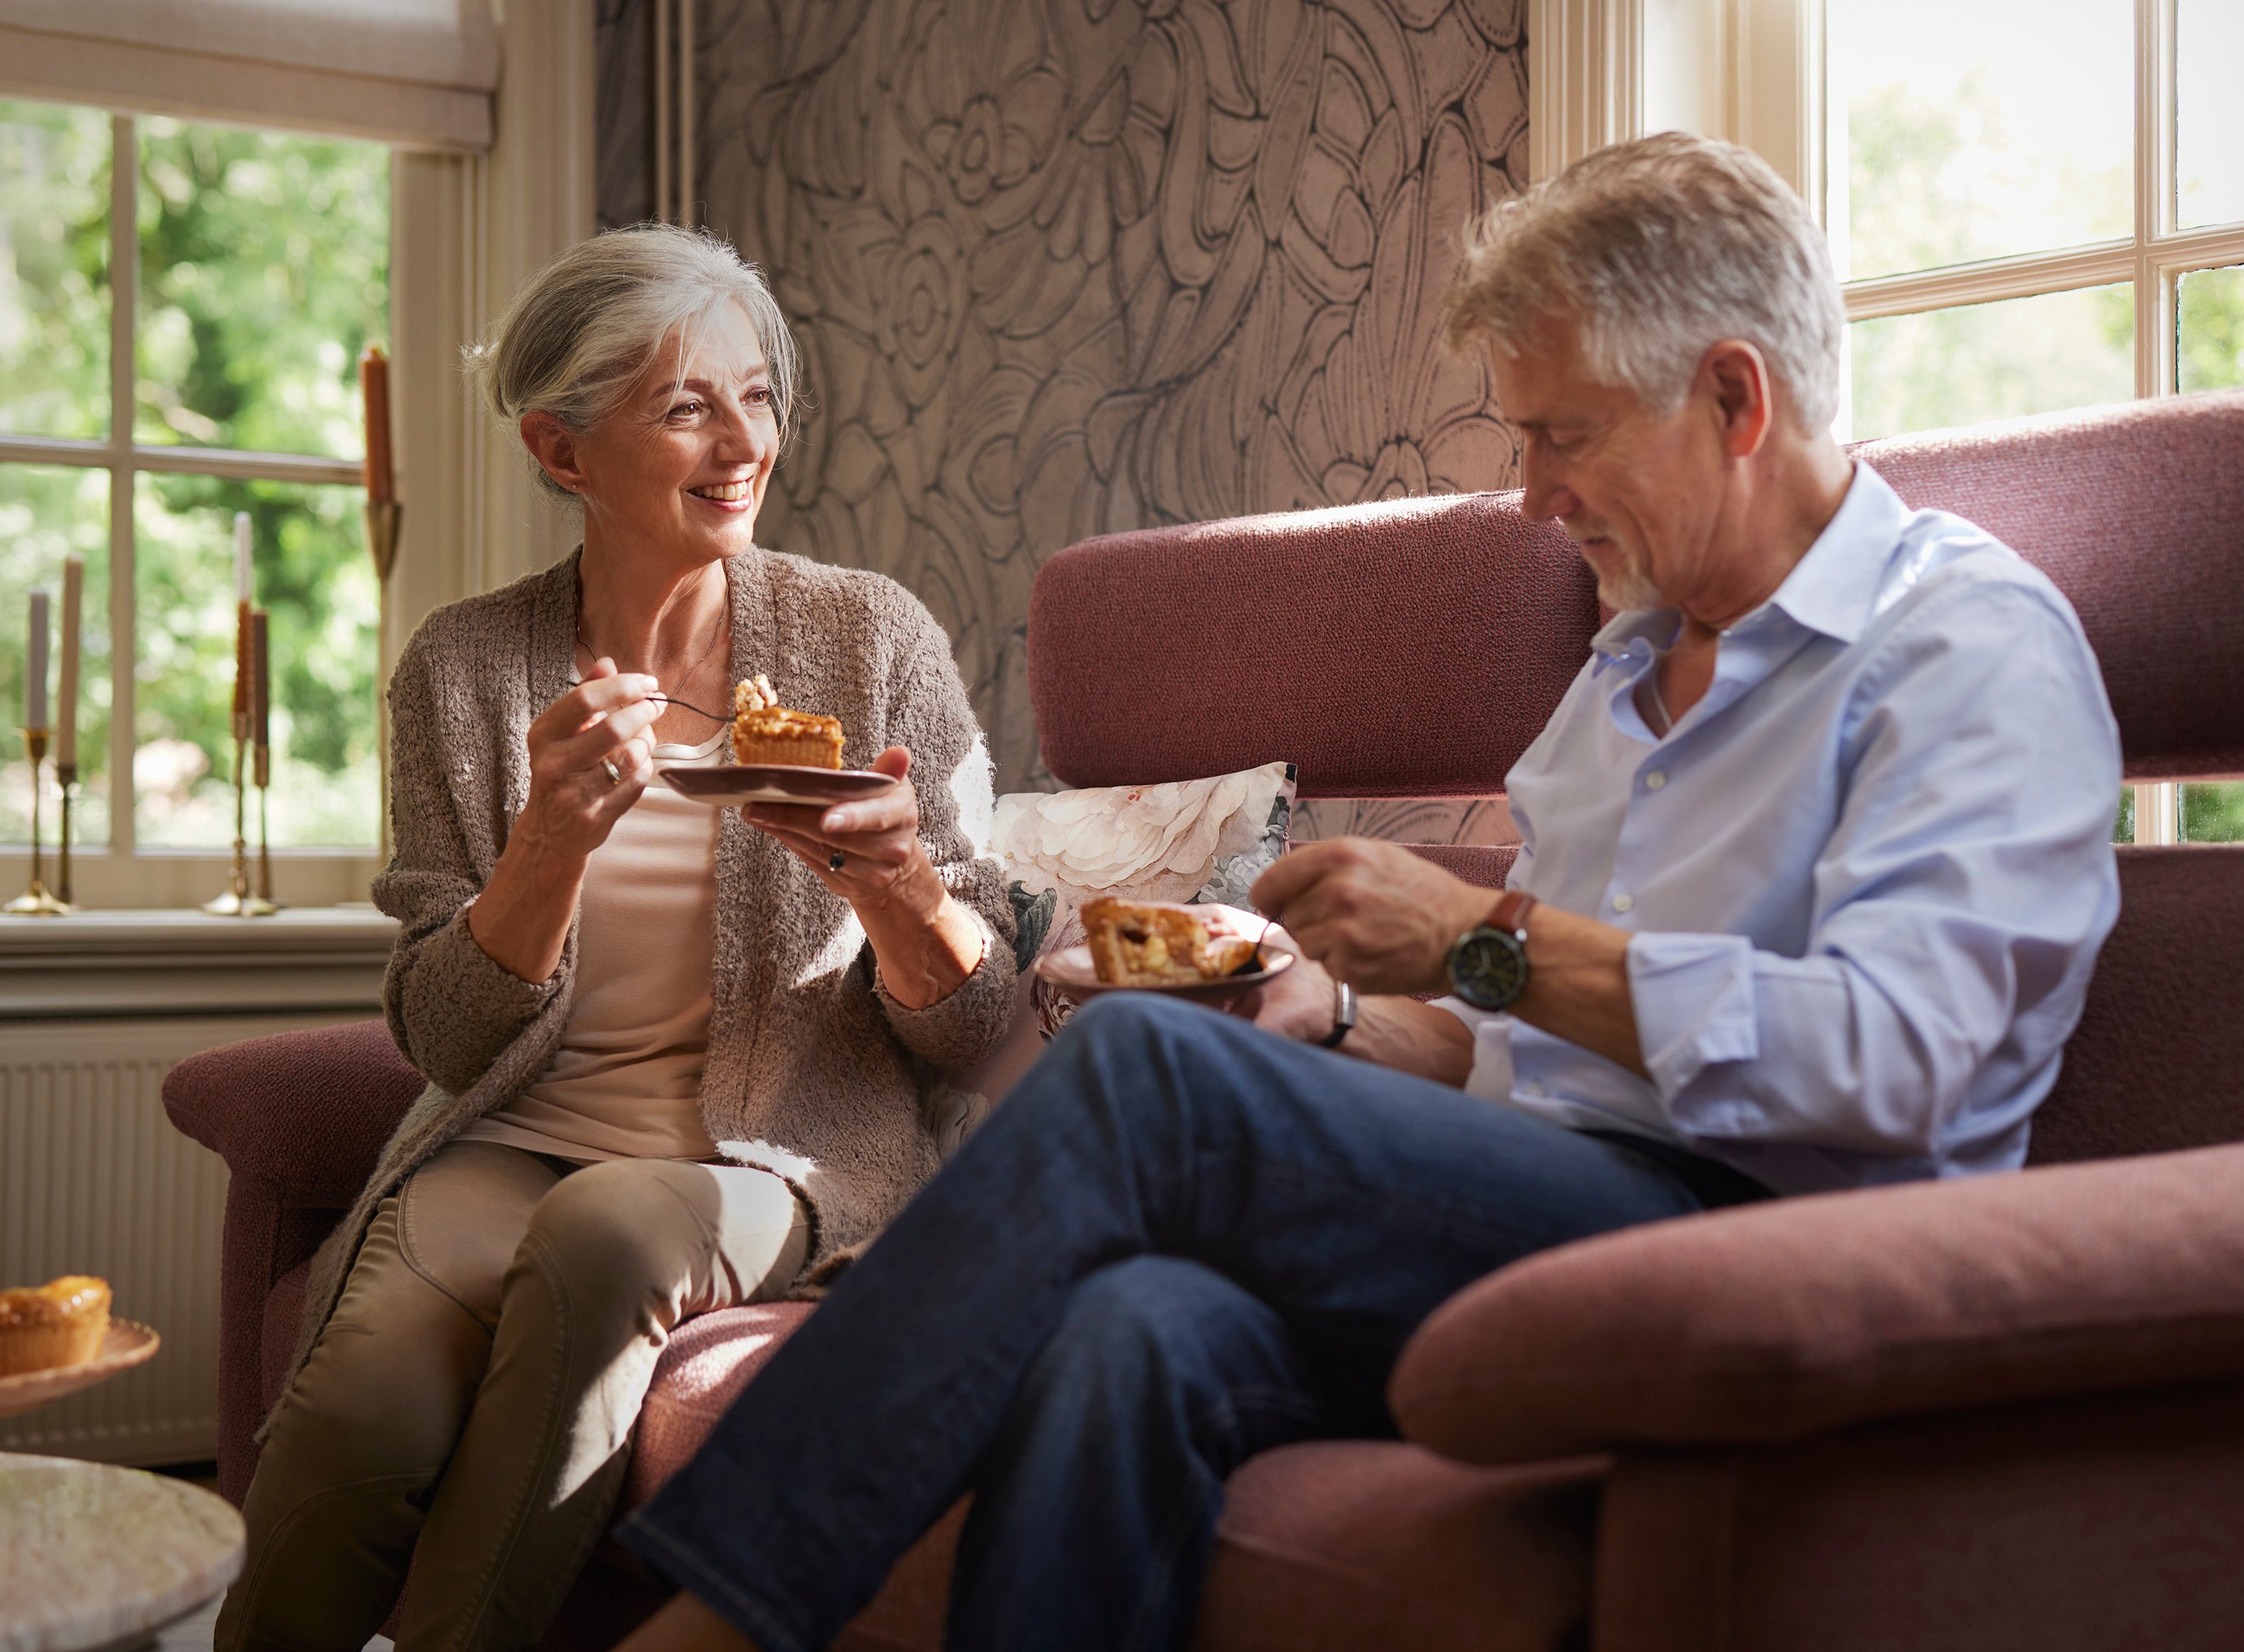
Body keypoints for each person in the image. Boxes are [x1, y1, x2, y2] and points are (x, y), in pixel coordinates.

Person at [606, 134, 2125, 1652]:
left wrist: (1480, 936)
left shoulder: (1962, 644)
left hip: (1782, 1251)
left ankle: (713, 1620)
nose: (1532, 499)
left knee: (1146, 1078)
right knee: (1132, 1330)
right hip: (1544, 1208)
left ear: (1736, 397)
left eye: (1566, 437)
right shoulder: (1617, 679)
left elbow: (1905, 1058)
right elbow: (1525, 1046)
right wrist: (1326, 1019)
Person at [215, 224, 1018, 1652]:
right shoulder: (463, 669)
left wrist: (896, 888)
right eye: (687, 405)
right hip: (518, 1135)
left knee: (605, 1226)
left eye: (758, 395)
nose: (743, 441)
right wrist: (548, 845)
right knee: (361, 1405)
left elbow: (975, 1028)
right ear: (563, 450)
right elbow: (446, 1040)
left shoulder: (867, 638)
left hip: (769, 1156)